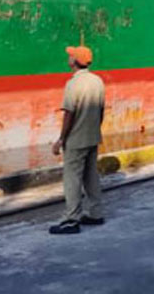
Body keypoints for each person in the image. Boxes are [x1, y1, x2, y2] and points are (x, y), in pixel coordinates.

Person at [49, 44, 106, 235]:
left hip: (76, 139)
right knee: (91, 175)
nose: (68, 58)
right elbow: (101, 111)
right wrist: (95, 130)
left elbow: (69, 115)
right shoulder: (98, 81)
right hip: (92, 136)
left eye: (70, 56)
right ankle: (95, 213)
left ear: (75, 62)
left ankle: (71, 220)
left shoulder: (73, 84)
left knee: (72, 179)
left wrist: (60, 139)